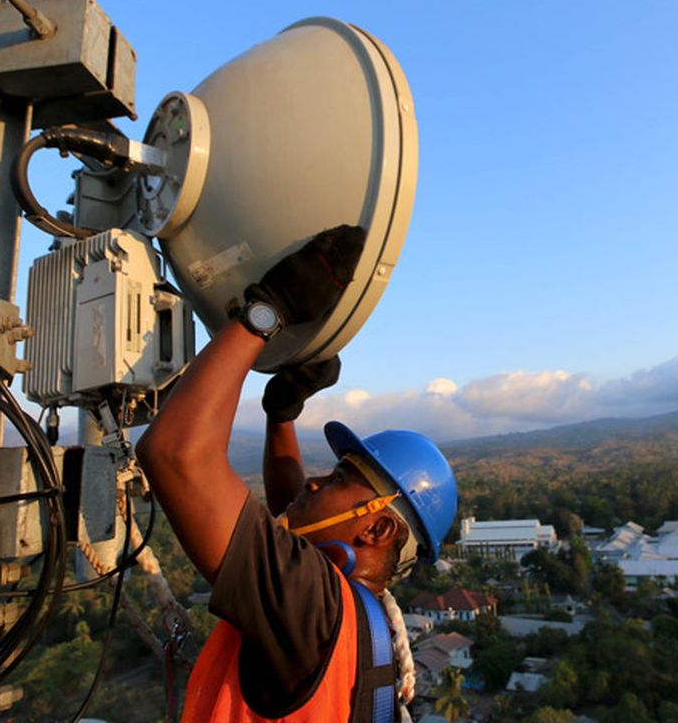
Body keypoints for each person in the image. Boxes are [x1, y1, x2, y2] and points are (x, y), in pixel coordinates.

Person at [135, 225, 458, 722]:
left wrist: (268, 312)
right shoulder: (354, 622)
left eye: (339, 479)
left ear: (377, 527)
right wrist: (281, 416)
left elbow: (176, 455)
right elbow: (294, 518)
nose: (313, 481)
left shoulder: (314, 610)